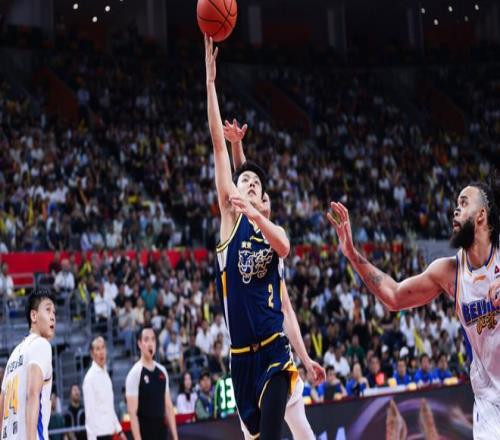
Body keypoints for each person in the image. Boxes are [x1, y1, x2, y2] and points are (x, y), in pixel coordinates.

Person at [327, 176, 500, 439]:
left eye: (464, 203)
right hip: (489, 407)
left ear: (481, 215)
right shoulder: (449, 272)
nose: (456, 210)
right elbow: (394, 296)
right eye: (456, 204)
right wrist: (352, 253)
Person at [223, 117, 324, 440]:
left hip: (275, 353)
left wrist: (305, 359)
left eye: (264, 195)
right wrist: (236, 146)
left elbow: (287, 312)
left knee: (302, 432)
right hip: (246, 360)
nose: (257, 193)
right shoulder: (241, 228)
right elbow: (244, 180)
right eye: (253, 189)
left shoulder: (274, 241)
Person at [0, 288, 56, 440]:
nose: (53, 317)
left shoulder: (13, 356)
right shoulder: (41, 344)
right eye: (48, 310)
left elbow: (2, 403)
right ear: (34, 315)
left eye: (54, 312)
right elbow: (32, 394)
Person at [125, 326, 178, 440]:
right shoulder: (135, 373)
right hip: (145, 433)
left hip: (162, 432)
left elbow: (169, 407)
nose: (150, 343)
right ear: (139, 344)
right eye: (146, 339)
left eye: (153, 339)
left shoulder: (162, 371)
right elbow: (132, 413)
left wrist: (175, 437)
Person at [82, 336, 125, 440]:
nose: (101, 352)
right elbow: (89, 415)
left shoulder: (105, 374)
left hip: (110, 433)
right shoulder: (90, 379)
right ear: (92, 354)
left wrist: (119, 430)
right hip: (98, 436)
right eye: (97, 349)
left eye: (103, 348)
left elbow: (109, 407)